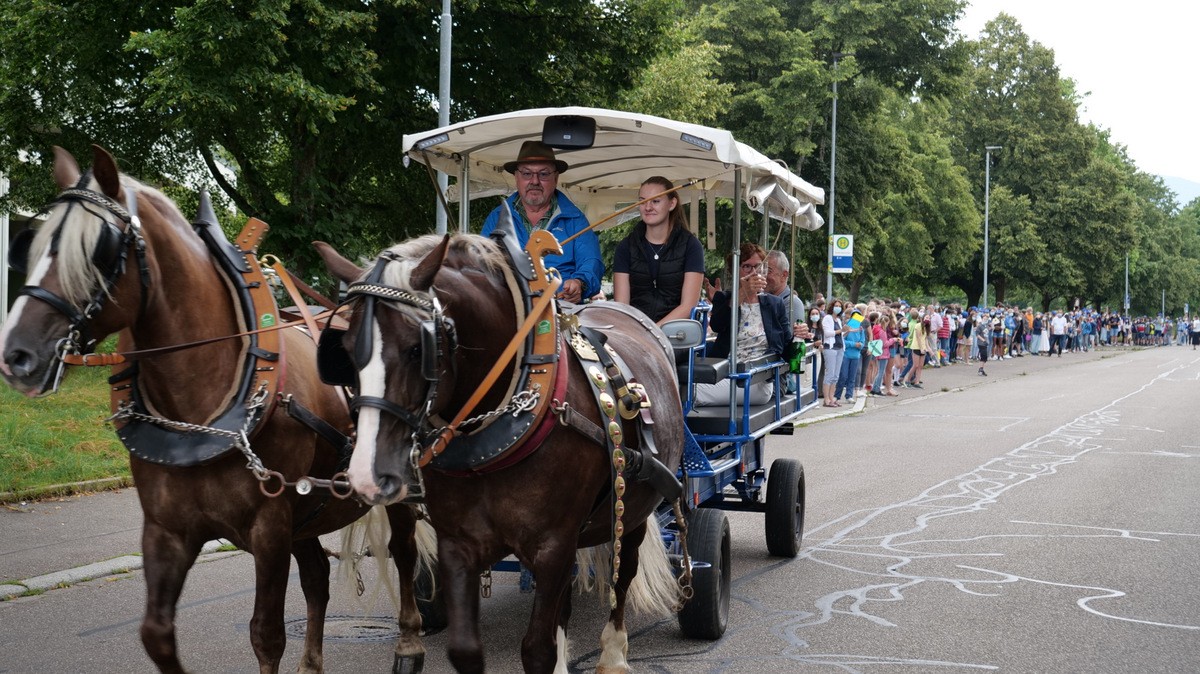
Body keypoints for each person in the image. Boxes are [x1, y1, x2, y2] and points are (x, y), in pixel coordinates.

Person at [481, 140, 603, 303]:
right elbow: (482, 265)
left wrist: (580, 283)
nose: (535, 181)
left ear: (556, 177)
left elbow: (591, 261)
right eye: (527, 174)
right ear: (516, 177)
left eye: (544, 174)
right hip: (510, 310)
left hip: (562, 308)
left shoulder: (575, 219)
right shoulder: (497, 219)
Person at [696, 243, 808, 406]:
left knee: (686, 392)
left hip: (757, 379)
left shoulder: (774, 304)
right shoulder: (724, 298)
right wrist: (743, 293)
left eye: (758, 266)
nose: (753, 271)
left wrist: (799, 337)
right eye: (746, 266)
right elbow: (717, 325)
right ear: (736, 271)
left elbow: (787, 354)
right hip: (724, 373)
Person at [612, 177, 705, 324]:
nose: (647, 207)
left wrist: (654, 331)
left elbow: (688, 306)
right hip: (635, 332)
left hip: (676, 335)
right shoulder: (625, 247)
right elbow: (622, 305)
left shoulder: (691, 246)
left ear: (672, 203)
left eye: (655, 201)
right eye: (642, 201)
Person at [765, 250, 806, 327]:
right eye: (761, 270)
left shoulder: (792, 303)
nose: (763, 275)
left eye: (768, 271)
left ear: (784, 275)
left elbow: (788, 337)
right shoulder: (760, 299)